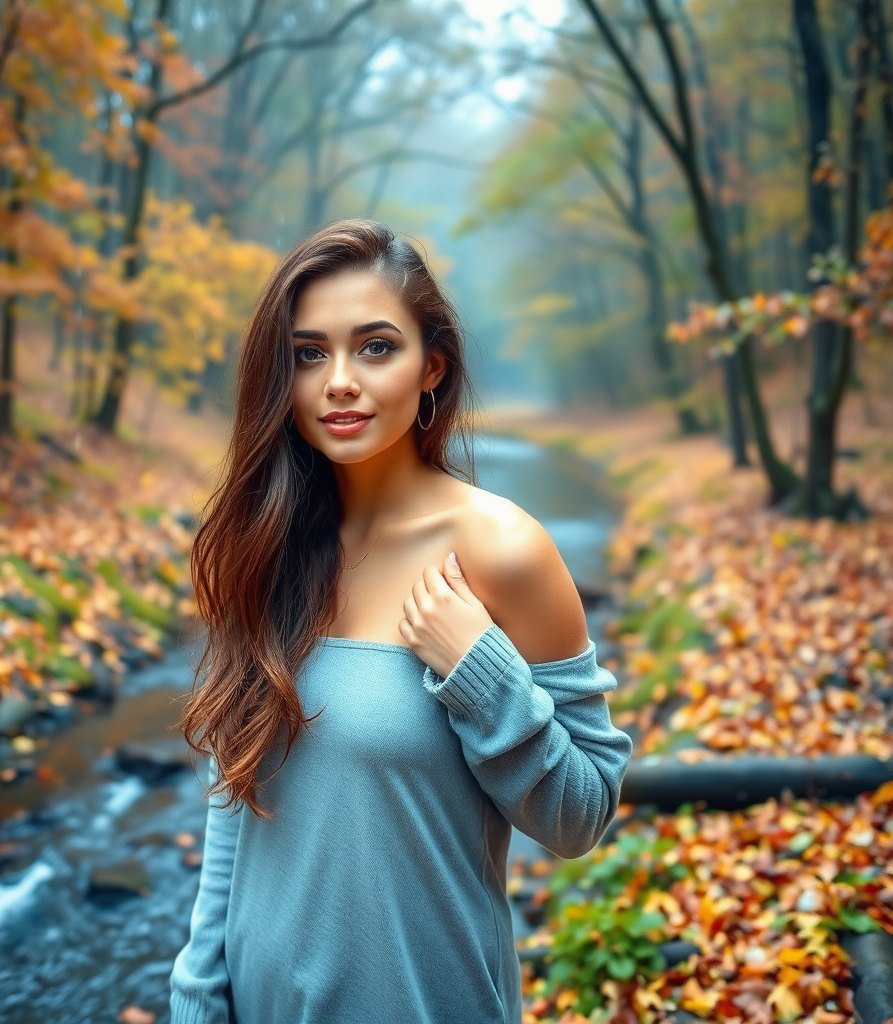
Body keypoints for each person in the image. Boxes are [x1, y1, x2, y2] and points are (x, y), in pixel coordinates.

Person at [169, 219, 632, 1024]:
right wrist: (197, 992)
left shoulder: (503, 550)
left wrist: (483, 675)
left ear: (432, 368)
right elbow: (235, 798)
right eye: (310, 353)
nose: (339, 381)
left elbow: (583, 817)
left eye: (375, 347)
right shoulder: (273, 544)